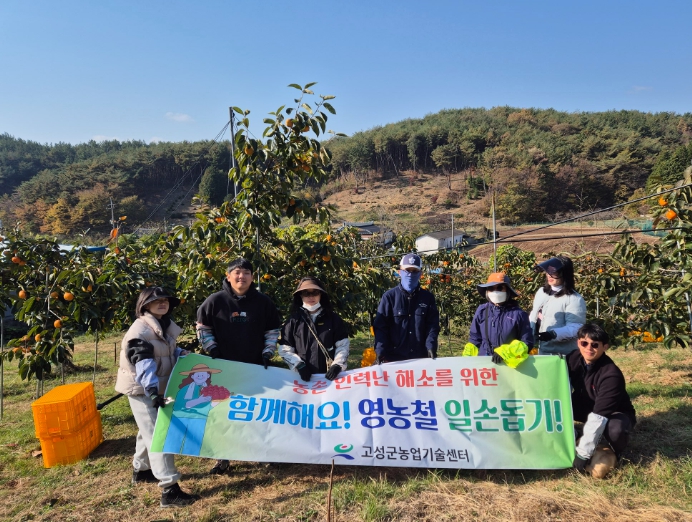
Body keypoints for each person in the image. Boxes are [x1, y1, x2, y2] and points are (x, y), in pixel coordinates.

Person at [196, 257, 281, 474]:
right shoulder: (214, 301)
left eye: (246, 273)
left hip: (255, 367)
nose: (241, 276)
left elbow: (272, 331)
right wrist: (212, 349)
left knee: (256, 411)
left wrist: (267, 352)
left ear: (252, 277)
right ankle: (222, 456)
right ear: (228, 276)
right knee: (223, 412)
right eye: (237, 272)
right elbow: (203, 328)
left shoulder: (263, 302)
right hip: (224, 366)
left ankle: (260, 452)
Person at [114, 287, 198, 508]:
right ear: (145, 305)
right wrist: (152, 391)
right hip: (143, 389)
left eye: (166, 300)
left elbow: (165, 351)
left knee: (148, 429)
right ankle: (169, 490)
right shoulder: (140, 331)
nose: (163, 303)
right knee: (158, 435)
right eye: (157, 300)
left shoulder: (161, 325)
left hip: (156, 386)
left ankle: (141, 470)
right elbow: (143, 363)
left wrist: (181, 354)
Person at [569, 323, 636, 475]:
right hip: (585, 405)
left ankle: (615, 451)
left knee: (615, 429)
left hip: (612, 412)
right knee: (556, 405)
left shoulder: (611, 375)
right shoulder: (572, 359)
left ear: (605, 347)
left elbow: (599, 416)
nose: (588, 348)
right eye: (584, 343)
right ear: (578, 343)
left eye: (595, 345)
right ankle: (575, 435)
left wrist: (583, 455)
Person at [279, 277, 350, 382]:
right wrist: (298, 365)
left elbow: (343, 345)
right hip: (302, 379)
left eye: (315, 293)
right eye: (306, 293)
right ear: (300, 295)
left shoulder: (333, 319)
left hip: (328, 378)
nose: (311, 297)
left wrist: (337, 365)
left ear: (321, 294)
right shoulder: (293, 321)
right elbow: (285, 349)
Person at [374, 253, 440, 363]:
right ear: (400, 271)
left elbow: (432, 326)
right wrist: (380, 350)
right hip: (394, 358)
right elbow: (381, 327)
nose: (410, 274)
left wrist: (431, 346)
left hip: (420, 358)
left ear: (420, 274)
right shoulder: (389, 297)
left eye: (414, 271)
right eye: (407, 270)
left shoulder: (427, 298)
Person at [468, 273, 533, 363]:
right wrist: (467, 358)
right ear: (487, 291)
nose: (495, 292)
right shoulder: (482, 310)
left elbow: (527, 343)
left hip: (508, 364)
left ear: (507, 290)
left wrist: (506, 352)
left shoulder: (518, 314)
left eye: (499, 288)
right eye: (491, 288)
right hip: (485, 362)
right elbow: (474, 339)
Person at [529, 256, 586, 355]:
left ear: (565, 274)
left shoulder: (574, 299)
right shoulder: (541, 292)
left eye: (554, 272)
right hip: (543, 350)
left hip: (562, 354)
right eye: (548, 272)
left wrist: (553, 334)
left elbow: (576, 327)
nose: (549, 276)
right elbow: (534, 314)